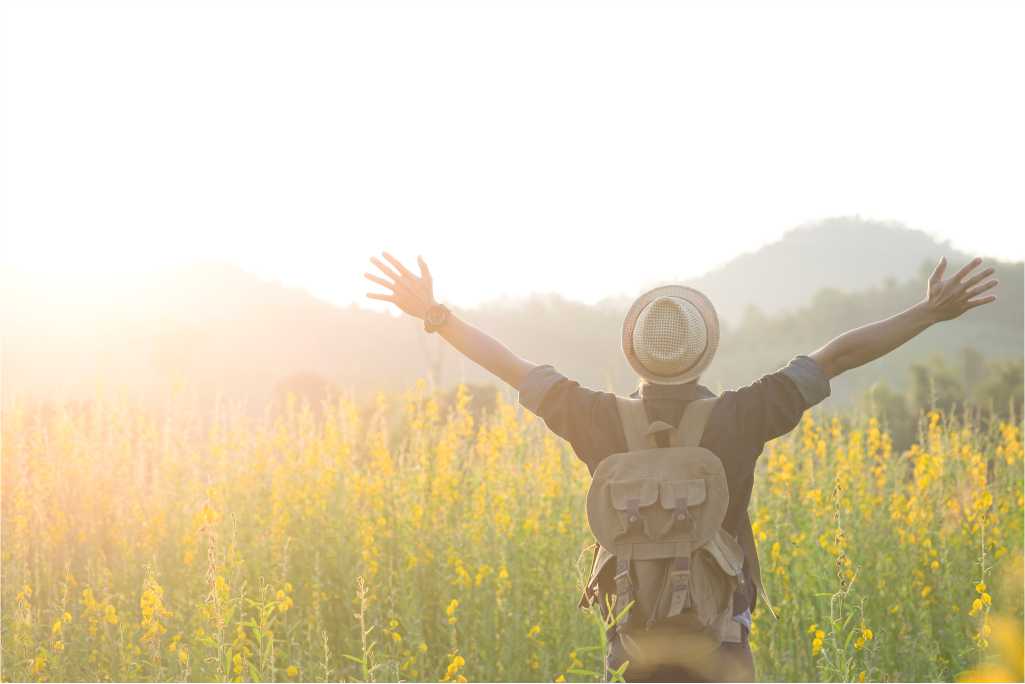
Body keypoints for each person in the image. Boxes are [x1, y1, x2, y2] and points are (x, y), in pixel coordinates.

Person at [364, 252, 998, 682]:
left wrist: (436, 316)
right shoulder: (743, 415)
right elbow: (836, 356)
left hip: (639, 643)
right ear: (706, 350)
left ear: (633, 353)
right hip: (722, 646)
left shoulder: (596, 418)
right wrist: (927, 312)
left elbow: (509, 365)